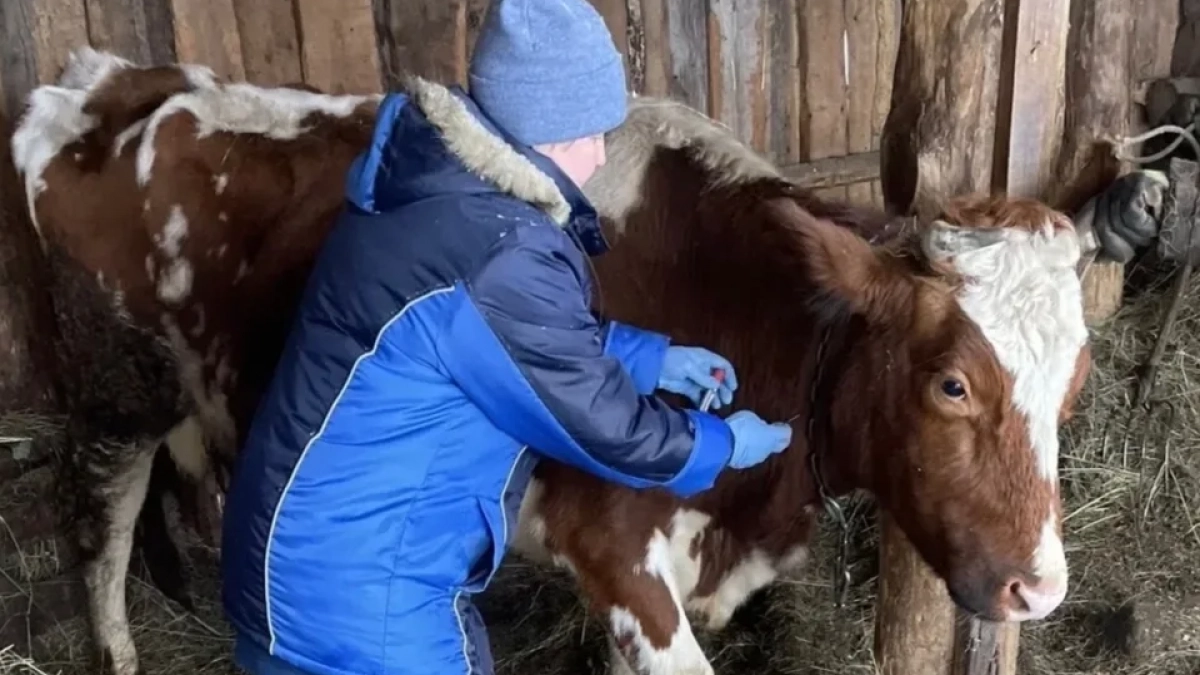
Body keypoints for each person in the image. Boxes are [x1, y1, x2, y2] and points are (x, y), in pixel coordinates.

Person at [219, 1, 794, 673]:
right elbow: (606, 429)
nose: (602, 153)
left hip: (297, 564)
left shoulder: (438, 193)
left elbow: (489, 340)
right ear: (544, 126)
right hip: (363, 599)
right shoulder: (500, 250)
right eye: (592, 131)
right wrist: (723, 443)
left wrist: (650, 358)